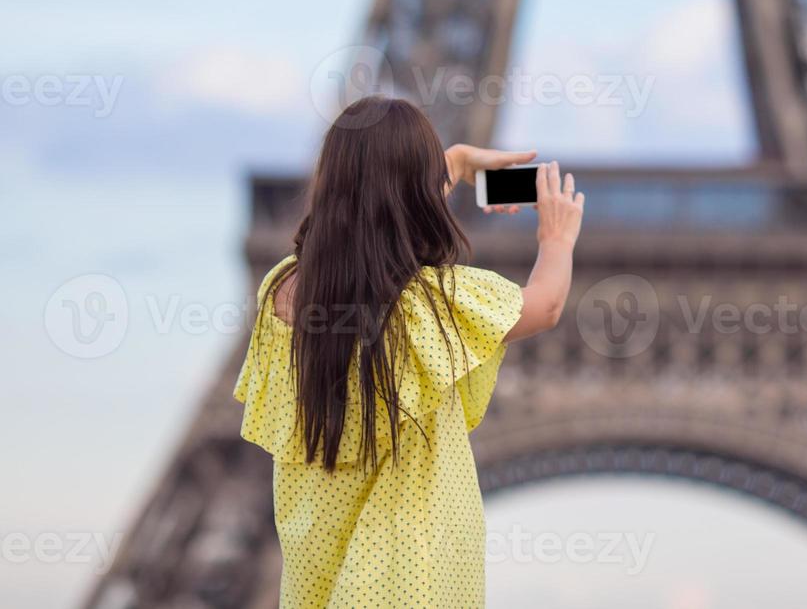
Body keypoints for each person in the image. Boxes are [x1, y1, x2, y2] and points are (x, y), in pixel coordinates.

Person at [233, 95, 584, 608]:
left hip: (320, 582)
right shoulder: (431, 303)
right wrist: (557, 239)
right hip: (413, 578)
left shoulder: (280, 293)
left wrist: (458, 160)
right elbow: (546, 305)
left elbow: (372, 196)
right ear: (420, 194)